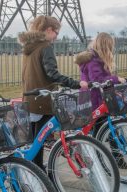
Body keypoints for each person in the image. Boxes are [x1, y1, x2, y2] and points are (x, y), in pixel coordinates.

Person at [19, 15, 87, 169]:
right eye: (57, 32)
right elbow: (53, 75)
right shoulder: (45, 47)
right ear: (49, 30)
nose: (57, 36)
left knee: (37, 139)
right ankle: (38, 170)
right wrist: (77, 84)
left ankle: (35, 168)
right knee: (40, 139)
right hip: (44, 100)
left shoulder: (29, 48)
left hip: (30, 99)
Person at [74, 32, 127, 169]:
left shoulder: (95, 58)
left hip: (98, 99)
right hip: (93, 100)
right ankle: (101, 163)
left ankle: (115, 160)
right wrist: (117, 79)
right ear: (106, 46)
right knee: (102, 133)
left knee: (108, 131)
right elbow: (97, 80)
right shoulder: (93, 60)